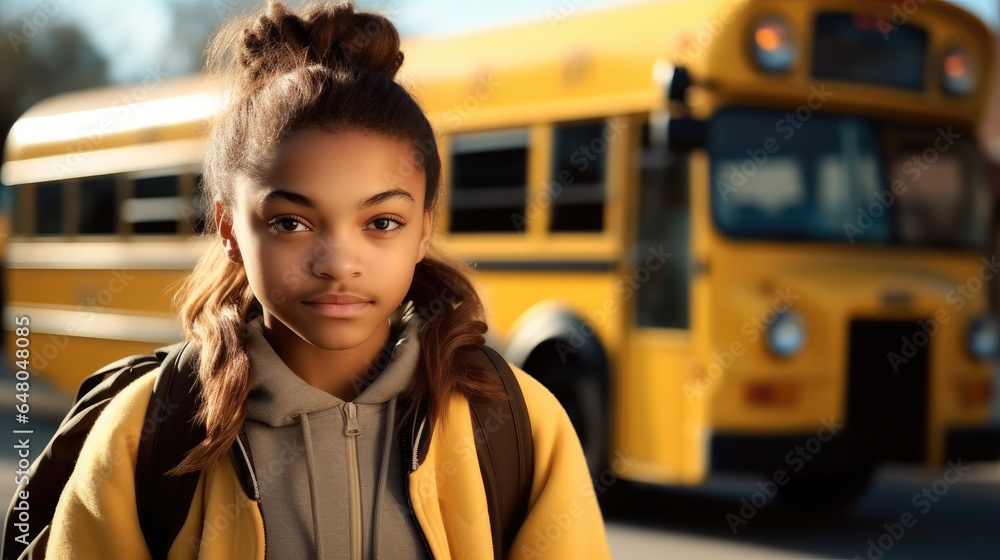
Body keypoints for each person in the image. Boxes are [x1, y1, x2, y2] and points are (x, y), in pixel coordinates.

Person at [42, 1, 613, 558]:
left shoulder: (519, 424)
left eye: (382, 222)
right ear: (228, 229)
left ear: (424, 228)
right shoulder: (145, 432)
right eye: (291, 222)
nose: (339, 262)